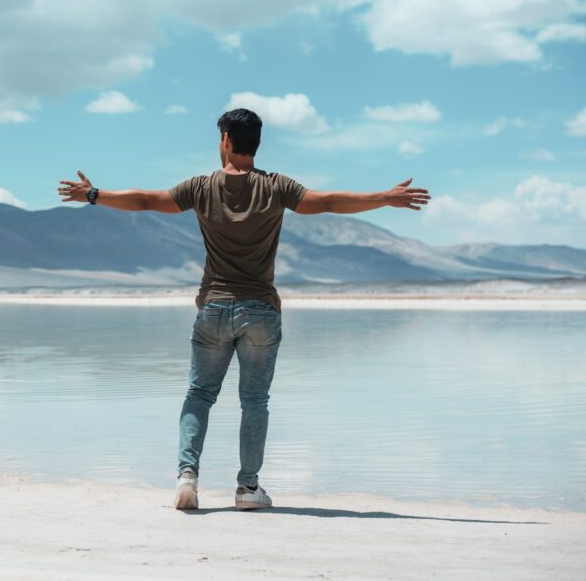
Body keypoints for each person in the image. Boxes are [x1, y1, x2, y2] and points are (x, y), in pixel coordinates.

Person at [57, 107, 431, 511]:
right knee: (254, 400)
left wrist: (94, 195)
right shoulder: (276, 187)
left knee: (200, 394)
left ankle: (187, 476)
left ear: (225, 140)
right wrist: (384, 198)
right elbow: (326, 203)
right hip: (260, 312)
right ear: (256, 143)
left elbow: (148, 200)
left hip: (214, 307)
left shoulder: (201, 187)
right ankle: (248, 489)